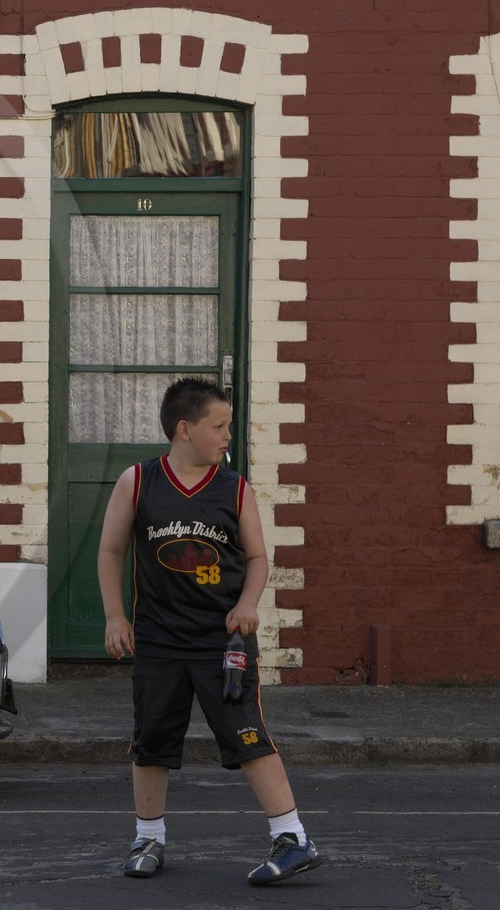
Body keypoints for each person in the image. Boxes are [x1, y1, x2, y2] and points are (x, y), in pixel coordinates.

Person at [96, 376, 325, 885]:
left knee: (246, 735)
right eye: (218, 426)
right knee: (151, 737)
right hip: (158, 637)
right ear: (184, 430)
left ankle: (293, 838)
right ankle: (147, 837)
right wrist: (116, 615)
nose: (227, 436)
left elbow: (259, 557)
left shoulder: (234, 487)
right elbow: (110, 551)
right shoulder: (137, 481)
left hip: (222, 638)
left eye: (229, 426)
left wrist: (247, 603)